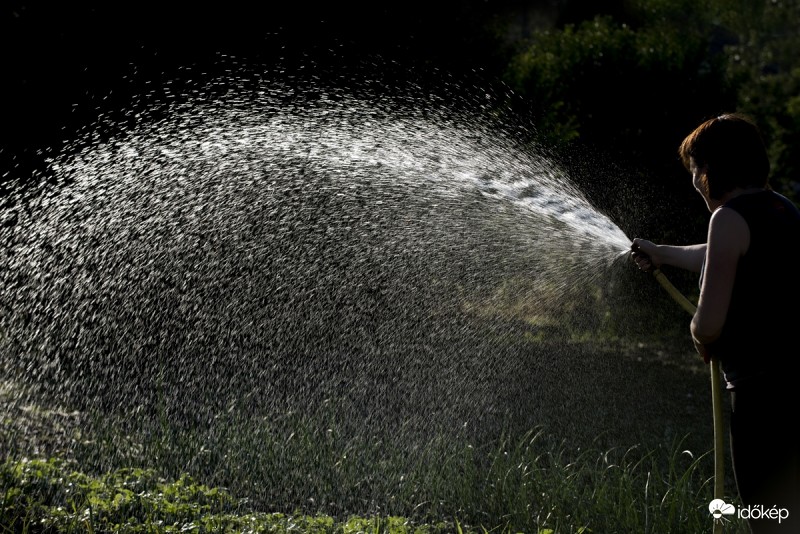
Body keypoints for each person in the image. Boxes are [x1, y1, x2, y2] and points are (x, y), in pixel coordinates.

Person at [631, 113, 800, 533]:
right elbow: (713, 253)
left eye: (694, 170)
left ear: (708, 171)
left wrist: (698, 335)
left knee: (768, 511)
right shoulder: (783, 209)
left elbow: (707, 326)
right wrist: (663, 252)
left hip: (762, 395)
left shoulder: (726, 217)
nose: (694, 181)